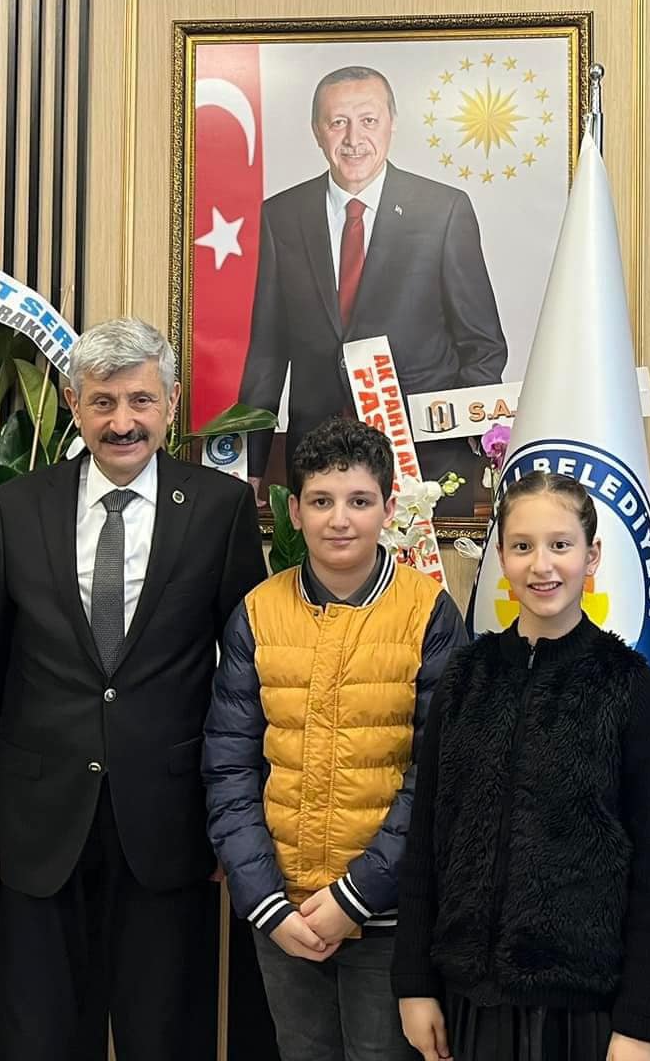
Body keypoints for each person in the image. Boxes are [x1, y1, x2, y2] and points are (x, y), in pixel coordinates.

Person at [0, 317, 264, 1061]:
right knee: (40, 1039)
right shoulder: (18, 507)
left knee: (162, 1038)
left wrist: (236, 822)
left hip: (170, 825)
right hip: (34, 826)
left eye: (141, 401)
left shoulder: (219, 509)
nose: (123, 423)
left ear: (171, 403)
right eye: (103, 402)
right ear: (72, 404)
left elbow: (245, 682)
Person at [393, 470, 650, 1061]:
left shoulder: (627, 687)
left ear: (591, 555)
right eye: (522, 546)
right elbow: (425, 837)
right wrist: (414, 984)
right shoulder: (466, 677)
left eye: (561, 545)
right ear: (501, 557)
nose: (542, 565)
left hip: (582, 1008)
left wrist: (642, 1023)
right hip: (469, 998)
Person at [204, 416, 467, 1061]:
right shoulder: (258, 612)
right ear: (294, 512)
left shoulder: (429, 613)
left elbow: (441, 775)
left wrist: (354, 897)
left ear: (388, 509)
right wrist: (266, 902)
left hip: (387, 917)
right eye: (321, 501)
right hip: (283, 913)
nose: (340, 520)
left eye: (359, 501)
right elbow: (229, 768)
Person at [238, 65, 506, 496]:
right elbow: (267, 353)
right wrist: (249, 466)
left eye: (368, 120)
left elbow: (483, 345)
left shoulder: (443, 210)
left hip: (426, 462)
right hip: (317, 461)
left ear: (392, 124)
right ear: (316, 131)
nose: (353, 138)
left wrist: (466, 436)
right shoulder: (282, 215)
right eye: (337, 122)